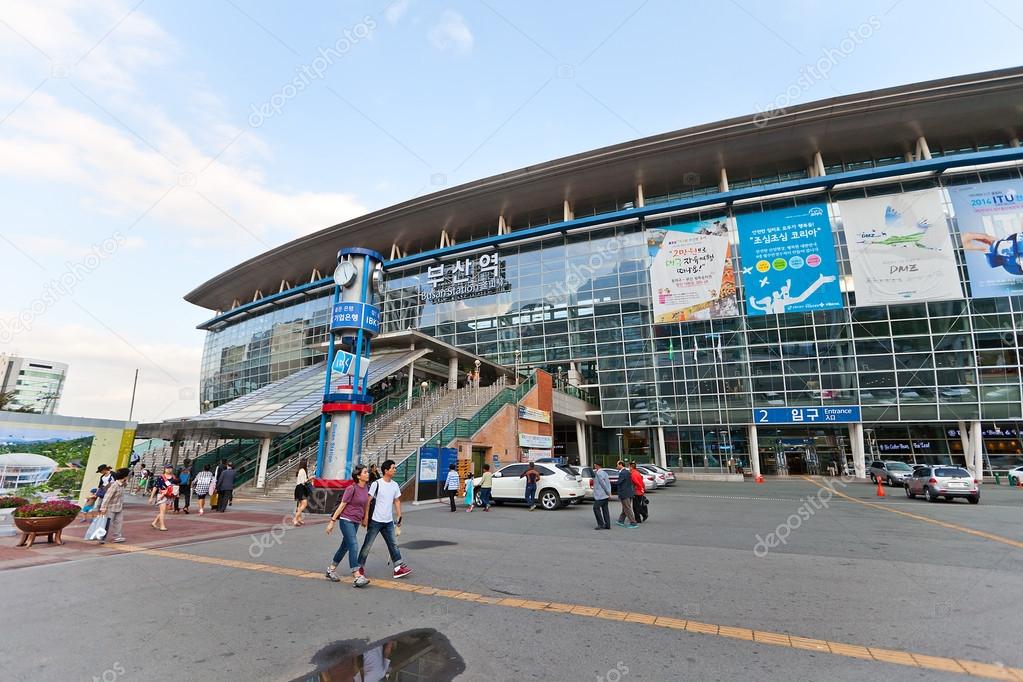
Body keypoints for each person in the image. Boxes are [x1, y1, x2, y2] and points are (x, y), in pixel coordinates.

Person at [357, 459, 412, 579]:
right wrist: (365, 517)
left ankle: (398, 568)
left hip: (388, 521)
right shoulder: (377, 484)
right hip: (375, 521)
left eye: (395, 468)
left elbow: (397, 501)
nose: (395, 470)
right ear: (386, 471)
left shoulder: (395, 485)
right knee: (367, 545)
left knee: (393, 544)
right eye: (393, 468)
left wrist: (399, 515)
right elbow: (368, 501)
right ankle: (359, 567)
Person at [325, 464, 371, 587]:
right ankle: (357, 575)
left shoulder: (366, 487)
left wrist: (365, 518)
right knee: (353, 545)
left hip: (356, 521)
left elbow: (366, 504)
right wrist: (332, 521)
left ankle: (331, 569)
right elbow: (342, 505)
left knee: (344, 547)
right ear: (358, 476)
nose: (367, 474)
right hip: (346, 520)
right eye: (365, 472)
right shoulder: (351, 488)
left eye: (367, 472)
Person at [99, 468, 129, 543]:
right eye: (128, 475)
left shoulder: (122, 484)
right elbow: (107, 497)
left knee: (118, 522)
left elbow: (125, 483)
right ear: (125, 476)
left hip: (119, 507)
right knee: (107, 523)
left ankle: (117, 537)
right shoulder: (114, 485)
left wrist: (125, 480)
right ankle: (101, 538)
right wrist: (103, 508)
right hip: (110, 508)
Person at [151, 466, 176, 531]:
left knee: (164, 511)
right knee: (162, 511)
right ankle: (162, 526)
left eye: (170, 468)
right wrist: (151, 497)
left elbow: (176, 486)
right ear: (164, 469)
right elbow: (155, 487)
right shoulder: (161, 477)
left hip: (170, 496)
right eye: (167, 468)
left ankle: (154, 522)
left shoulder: (174, 477)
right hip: (161, 495)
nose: (169, 469)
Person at [615, 461, 638, 528]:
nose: (616, 466)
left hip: (624, 493)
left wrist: (611, 482)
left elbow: (619, 482)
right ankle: (621, 520)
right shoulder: (627, 472)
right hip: (629, 492)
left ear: (620, 465)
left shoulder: (623, 473)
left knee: (627, 508)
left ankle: (633, 522)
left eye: (617, 465)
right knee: (625, 507)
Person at [591, 462, 611, 530]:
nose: (594, 466)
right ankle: (607, 524)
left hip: (600, 495)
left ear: (597, 465)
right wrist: (608, 492)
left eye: (595, 465)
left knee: (595, 508)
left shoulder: (599, 473)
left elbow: (603, 484)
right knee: (605, 510)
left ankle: (601, 524)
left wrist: (608, 492)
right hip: (605, 495)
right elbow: (608, 483)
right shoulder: (605, 473)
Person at [293, 458, 311, 526]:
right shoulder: (302, 470)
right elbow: (304, 481)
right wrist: (310, 478)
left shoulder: (301, 470)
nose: (308, 464)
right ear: (304, 463)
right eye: (307, 462)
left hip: (299, 488)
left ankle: (299, 519)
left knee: (300, 505)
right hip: (301, 488)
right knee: (304, 504)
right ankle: (295, 519)